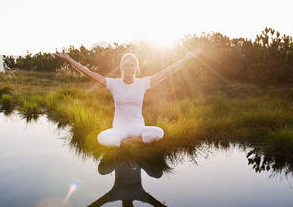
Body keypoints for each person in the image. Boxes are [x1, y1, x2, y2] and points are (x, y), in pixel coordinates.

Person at [54, 48, 202, 147]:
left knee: (159, 132)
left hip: (139, 128)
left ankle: (126, 144)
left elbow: (168, 71)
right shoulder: (113, 84)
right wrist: (69, 59)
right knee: (101, 137)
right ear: (121, 67)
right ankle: (131, 144)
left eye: (132, 65)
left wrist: (186, 58)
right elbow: (88, 73)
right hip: (119, 129)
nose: (129, 67)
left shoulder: (143, 83)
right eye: (126, 65)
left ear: (136, 68)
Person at [57, 158, 194, 207]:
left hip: (121, 157)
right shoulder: (137, 196)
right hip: (136, 158)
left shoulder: (116, 195)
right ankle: (140, 156)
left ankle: (120, 154)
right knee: (157, 174)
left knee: (102, 171)